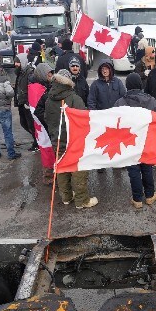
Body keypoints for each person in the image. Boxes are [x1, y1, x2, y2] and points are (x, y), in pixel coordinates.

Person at [45, 69, 98, 209]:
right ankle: (82, 200)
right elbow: (84, 119)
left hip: (56, 140)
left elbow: (46, 118)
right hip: (73, 141)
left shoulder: (49, 98)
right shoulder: (74, 98)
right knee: (79, 168)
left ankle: (66, 197)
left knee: (62, 167)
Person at [114, 73, 156, 208]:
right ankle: (150, 195)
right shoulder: (151, 100)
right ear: (140, 84)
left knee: (133, 169)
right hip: (146, 140)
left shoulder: (120, 102)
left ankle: (137, 199)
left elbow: (114, 123)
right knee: (147, 168)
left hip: (128, 141)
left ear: (127, 86)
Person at [12, 54, 38, 152]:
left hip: (27, 104)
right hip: (21, 102)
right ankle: (36, 140)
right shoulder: (20, 72)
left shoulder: (29, 72)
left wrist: (28, 102)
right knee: (23, 123)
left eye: (17, 62)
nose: (15, 64)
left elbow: (32, 88)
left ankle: (37, 143)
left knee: (31, 124)